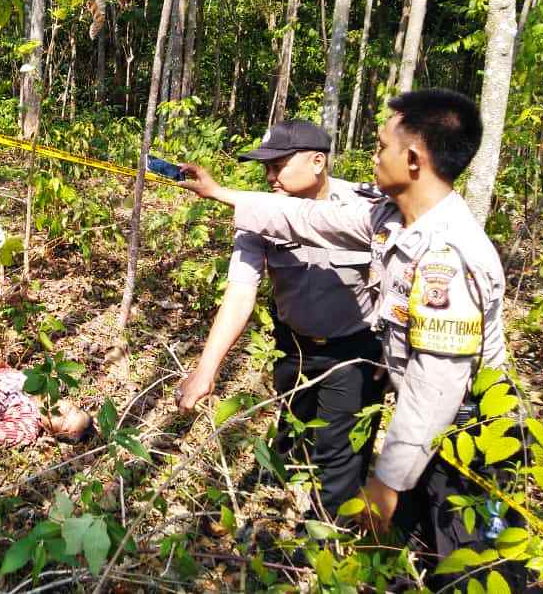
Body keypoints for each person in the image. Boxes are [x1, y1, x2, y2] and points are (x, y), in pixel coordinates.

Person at [179, 90, 513, 577]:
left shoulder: (444, 255)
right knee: (424, 542)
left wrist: (388, 479)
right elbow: (308, 218)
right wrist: (219, 193)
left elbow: (436, 387)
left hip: (466, 430)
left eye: (381, 146)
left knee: (469, 561)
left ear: (414, 159)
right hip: (426, 421)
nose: (373, 156)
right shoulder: (392, 219)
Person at [175, 120, 383, 519]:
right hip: (295, 349)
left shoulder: (364, 207)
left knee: (340, 462)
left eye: (279, 165)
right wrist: (206, 369)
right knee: (294, 432)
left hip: (355, 352)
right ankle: (278, 515)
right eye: (266, 168)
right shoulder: (256, 214)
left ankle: (324, 548)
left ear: (317, 161)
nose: (270, 176)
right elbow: (240, 293)